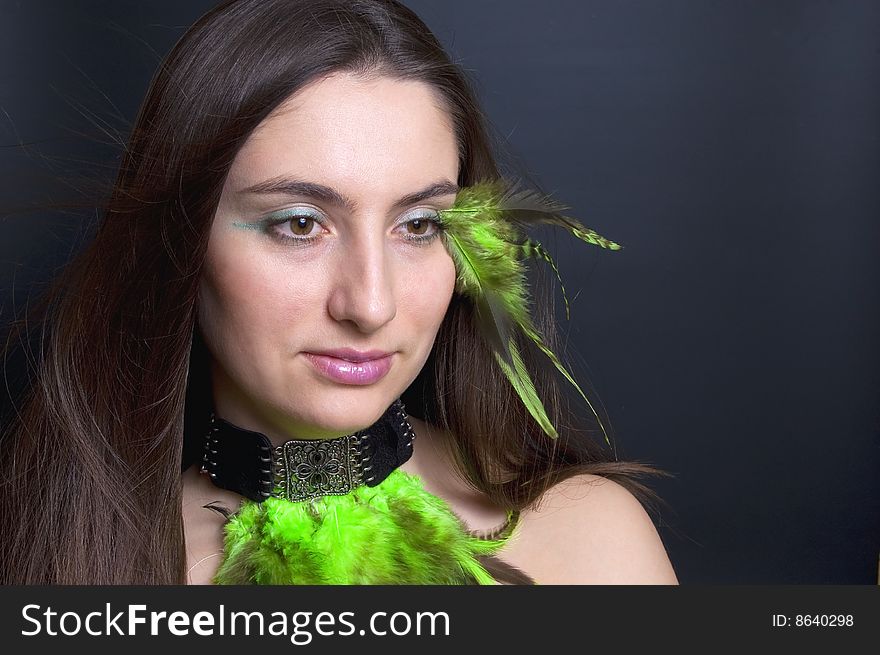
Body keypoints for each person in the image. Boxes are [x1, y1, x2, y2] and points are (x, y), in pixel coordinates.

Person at [0, 0, 677, 585]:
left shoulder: (589, 544)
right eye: (300, 224)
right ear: (183, 241)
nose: (371, 304)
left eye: (418, 225)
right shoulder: (68, 562)